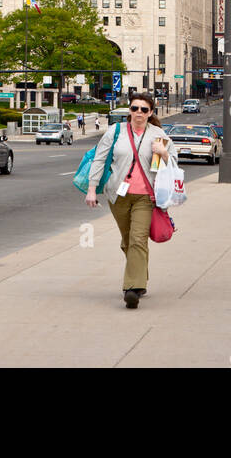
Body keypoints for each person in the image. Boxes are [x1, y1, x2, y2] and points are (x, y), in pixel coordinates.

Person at [85, 91, 177, 309]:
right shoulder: (115, 132)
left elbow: (173, 164)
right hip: (118, 195)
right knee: (128, 240)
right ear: (130, 110)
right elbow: (99, 159)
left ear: (150, 112)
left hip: (146, 197)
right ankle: (140, 275)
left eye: (144, 110)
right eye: (135, 108)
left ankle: (132, 289)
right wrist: (91, 189)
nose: (139, 113)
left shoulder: (158, 135)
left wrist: (163, 153)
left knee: (137, 239)